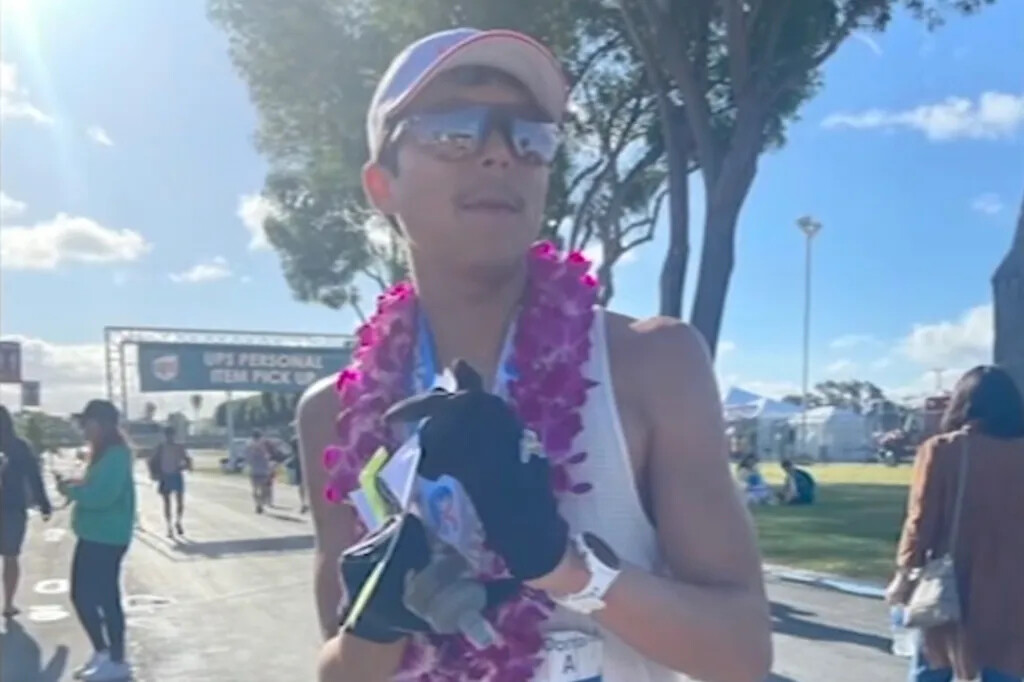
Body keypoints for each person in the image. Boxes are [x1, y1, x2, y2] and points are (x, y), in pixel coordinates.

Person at [298, 28, 770, 682]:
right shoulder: (334, 413)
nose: (499, 154)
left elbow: (742, 653)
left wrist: (564, 567)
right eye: (454, 132)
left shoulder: (654, 364)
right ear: (382, 185)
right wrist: (377, 622)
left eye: (529, 136)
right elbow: (340, 669)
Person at [886, 366, 1024, 682]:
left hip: (955, 579)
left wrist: (905, 572)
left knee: (933, 663)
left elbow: (921, 520)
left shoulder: (944, 450)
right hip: (1014, 585)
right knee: (1005, 666)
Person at [59, 399, 135, 682]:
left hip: (107, 537)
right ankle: (103, 653)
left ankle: (116, 659)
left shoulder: (116, 454)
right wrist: (78, 485)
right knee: (85, 596)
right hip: (95, 535)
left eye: (87, 423)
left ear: (102, 424)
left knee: (103, 598)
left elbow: (103, 496)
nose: (84, 429)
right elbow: (97, 488)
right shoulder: (104, 454)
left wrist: (72, 491)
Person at [0, 404, 53, 618]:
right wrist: (44, 503)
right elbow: (33, 476)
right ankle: (8, 603)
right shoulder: (19, 446)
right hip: (12, 508)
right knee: (11, 557)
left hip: (12, 508)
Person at [150, 425, 191, 537]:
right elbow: (152, 461)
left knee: (179, 501)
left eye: (171, 435)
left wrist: (185, 466)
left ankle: (178, 521)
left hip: (176, 475)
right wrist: (154, 473)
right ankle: (169, 526)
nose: (170, 437)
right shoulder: (160, 448)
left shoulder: (179, 447)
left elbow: (186, 459)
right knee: (167, 502)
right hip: (165, 476)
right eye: (168, 435)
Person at [245, 430, 272, 514]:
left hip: (255, 470)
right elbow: (268, 457)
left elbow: (248, 459)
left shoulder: (249, 446)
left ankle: (258, 504)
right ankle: (260, 504)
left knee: (256, 489)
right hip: (263, 470)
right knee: (263, 489)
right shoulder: (263, 446)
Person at [286, 430, 308, 514]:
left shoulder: (294, 439)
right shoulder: (306, 438)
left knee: (301, 484)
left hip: (298, 463)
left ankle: (303, 503)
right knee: (307, 484)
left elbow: (293, 452)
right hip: (307, 462)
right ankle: (306, 503)